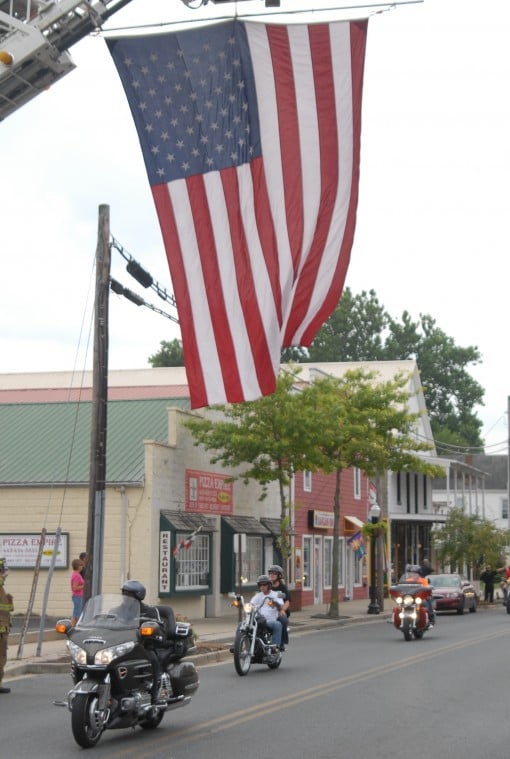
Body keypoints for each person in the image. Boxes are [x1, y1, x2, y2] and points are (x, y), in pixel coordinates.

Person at [120, 580, 163, 704]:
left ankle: (155, 695)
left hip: (144, 647)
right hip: (122, 646)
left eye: (128, 594)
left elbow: (159, 629)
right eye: (123, 593)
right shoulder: (117, 610)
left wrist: (153, 631)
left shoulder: (149, 612)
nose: (125, 597)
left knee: (153, 660)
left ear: (137, 596)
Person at [250, 574, 284, 650]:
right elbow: (251, 604)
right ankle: (237, 645)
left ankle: (274, 648)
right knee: (241, 625)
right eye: (260, 585)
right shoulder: (258, 595)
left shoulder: (276, 594)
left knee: (278, 624)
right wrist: (245, 606)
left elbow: (281, 606)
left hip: (269, 621)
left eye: (264, 584)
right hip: (257, 621)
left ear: (269, 585)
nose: (262, 586)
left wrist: (275, 603)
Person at [268, 564, 291, 649]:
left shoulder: (282, 588)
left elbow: (287, 601)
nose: (272, 575)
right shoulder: (267, 586)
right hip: (268, 610)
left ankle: (282, 642)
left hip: (279, 611)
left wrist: (282, 610)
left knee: (283, 620)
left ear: (279, 575)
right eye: (270, 573)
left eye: (274, 573)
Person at [0, 558, 14, 694]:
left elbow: (7, 609)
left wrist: (9, 602)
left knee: (2, 657)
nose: (4, 573)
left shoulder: (2, 589)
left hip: (3, 628)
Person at [70, 558, 85, 626]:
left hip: (78, 596)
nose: (82, 567)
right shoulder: (76, 576)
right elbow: (75, 588)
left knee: (76, 613)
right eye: (81, 565)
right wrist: (84, 586)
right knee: (77, 614)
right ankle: (74, 627)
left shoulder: (77, 574)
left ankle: (73, 627)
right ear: (78, 566)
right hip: (77, 596)